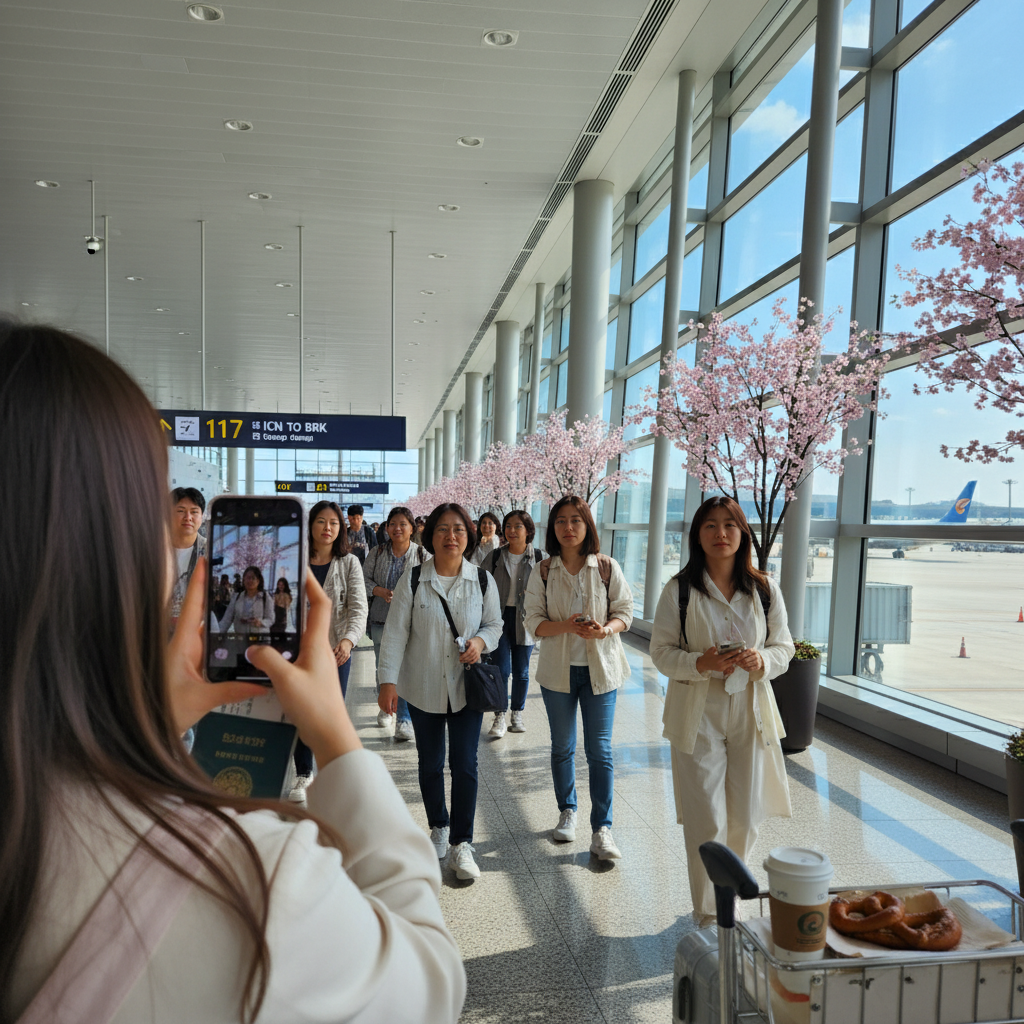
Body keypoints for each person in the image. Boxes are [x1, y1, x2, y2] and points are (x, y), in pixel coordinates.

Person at [0, 322, 465, 1023]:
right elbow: (428, 983)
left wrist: (148, 726)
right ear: (119, 553)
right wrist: (339, 741)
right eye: (159, 510)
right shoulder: (255, 887)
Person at [649, 496, 794, 927]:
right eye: (710, 526)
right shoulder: (678, 589)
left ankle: (727, 895)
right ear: (697, 535)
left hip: (750, 709)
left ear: (742, 533)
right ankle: (711, 915)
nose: (720, 534)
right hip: (699, 712)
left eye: (729, 525)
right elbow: (660, 652)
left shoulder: (764, 588)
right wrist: (700, 663)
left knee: (746, 815)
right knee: (706, 818)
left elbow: (784, 645)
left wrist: (762, 661)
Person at [378, 503, 502, 881]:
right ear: (429, 535)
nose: (451, 537)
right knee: (430, 764)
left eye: (459, 530)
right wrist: (387, 681)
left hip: (466, 689)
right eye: (443, 530)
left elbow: (495, 624)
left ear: (469, 535)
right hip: (423, 685)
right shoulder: (414, 579)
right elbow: (396, 631)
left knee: (465, 764)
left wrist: (480, 642)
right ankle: (439, 826)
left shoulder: (482, 580)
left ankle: (462, 843)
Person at [523, 495, 633, 862]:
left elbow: (625, 612)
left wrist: (605, 630)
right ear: (552, 528)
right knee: (562, 747)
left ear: (587, 526)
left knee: (599, 750)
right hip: (558, 672)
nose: (568, 528)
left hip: (601, 668)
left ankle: (602, 828)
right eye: (561, 522)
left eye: (576, 521)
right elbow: (533, 622)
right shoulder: (542, 570)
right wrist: (567, 626)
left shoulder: (605, 566)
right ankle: (567, 810)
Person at [294, 500, 369, 797]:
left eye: (334, 523)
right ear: (310, 526)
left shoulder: (349, 562)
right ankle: (303, 774)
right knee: (302, 711)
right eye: (321, 522)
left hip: (336, 651)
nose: (328, 528)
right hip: (299, 650)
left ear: (342, 528)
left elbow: (358, 608)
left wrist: (349, 640)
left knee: (330, 713)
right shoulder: (295, 560)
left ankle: (331, 773)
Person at [363, 505, 429, 741]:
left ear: (412, 528)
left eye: (403, 524)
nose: (397, 528)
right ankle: (385, 707)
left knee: (406, 668)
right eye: (393, 524)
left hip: (412, 622)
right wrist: (379, 591)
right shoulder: (377, 553)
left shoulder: (422, 555)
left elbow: (430, 584)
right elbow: (364, 580)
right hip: (381, 618)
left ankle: (404, 718)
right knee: (384, 666)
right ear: (386, 528)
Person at [484, 509, 544, 739]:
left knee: (522, 670)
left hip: (526, 618)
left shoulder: (539, 557)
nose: (511, 530)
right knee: (501, 670)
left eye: (518, 526)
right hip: (498, 618)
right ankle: (499, 714)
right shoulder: (496, 557)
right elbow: (481, 586)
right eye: (508, 526)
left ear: (528, 531)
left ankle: (517, 712)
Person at [169, 486, 205, 629]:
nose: (188, 517)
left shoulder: (210, 551)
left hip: (196, 628)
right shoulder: (154, 550)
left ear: (202, 516)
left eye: (194, 512)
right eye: (180, 511)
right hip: (157, 630)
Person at [219, 565, 274, 635]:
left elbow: (270, 619)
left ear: (258, 581)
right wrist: (216, 635)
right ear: (244, 580)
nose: (250, 581)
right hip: (241, 640)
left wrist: (260, 622)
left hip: (260, 640)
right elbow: (226, 619)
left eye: (253, 578)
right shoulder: (237, 597)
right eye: (248, 578)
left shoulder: (265, 597)